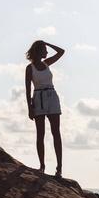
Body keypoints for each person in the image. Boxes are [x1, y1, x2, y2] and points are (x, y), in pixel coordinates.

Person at [25, 40, 65, 178]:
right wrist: (29, 107)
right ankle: (42, 166)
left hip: (52, 96)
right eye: (44, 49)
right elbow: (28, 88)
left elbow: (61, 52)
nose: (47, 52)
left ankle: (59, 168)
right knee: (40, 133)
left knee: (56, 133)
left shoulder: (47, 63)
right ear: (38, 51)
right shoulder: (30, 68)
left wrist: (46, 42)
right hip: (38, 97)